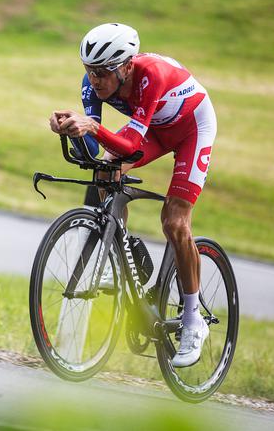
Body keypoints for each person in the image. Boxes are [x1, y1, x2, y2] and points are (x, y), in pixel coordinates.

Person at [49, 23, 216, 368]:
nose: (94, 81)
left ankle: (192, 319)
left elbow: (130, 144)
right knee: (105, 170)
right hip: (156, 126)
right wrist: (71, 128)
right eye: (88, 71)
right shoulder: (92, 84)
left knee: (174, 222)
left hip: (192, 126)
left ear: (125, 67)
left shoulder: (149, 76)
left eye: (102, 73)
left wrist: (93, 125)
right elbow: (94, 149)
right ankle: (118, 250)